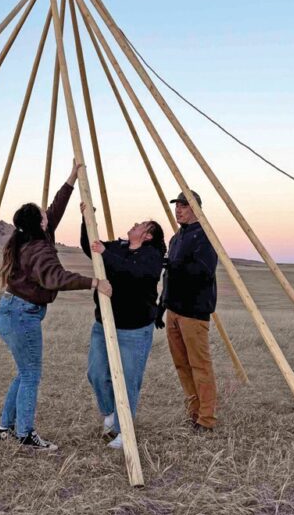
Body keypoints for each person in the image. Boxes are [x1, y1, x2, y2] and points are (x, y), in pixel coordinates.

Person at [0, 160, 112, 451]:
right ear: (39, 224)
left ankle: (5, 427)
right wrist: (94, 282)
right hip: (22, 315)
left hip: (11, 311)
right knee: (31, 374)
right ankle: (25, 434)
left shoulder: (31, 236)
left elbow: (55, 207)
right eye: (43, 216)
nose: (48, 216)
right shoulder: (37, 250)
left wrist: (71, 177)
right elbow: (55, 277)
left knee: (24, 373)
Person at [79, 204, 165, 450]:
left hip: (135, 330)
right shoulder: (118, 247)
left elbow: (133, 273)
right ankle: (109, 414)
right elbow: (91, 247)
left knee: (128, 381)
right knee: (96, 373)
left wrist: (105, 253)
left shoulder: (152, 257)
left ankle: (123, 430)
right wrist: (87, 219)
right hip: (104, 323)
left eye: (141, 225)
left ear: (147, 235)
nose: (135, 225)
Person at [158, 190, 219, 431]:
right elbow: (168, 275)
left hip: (194, 312)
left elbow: (204, 272)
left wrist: (175, 265)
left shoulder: (205, 237)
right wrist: (161, 305)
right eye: (177, 205)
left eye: (184, 205)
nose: (178, 209)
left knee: (200, 366)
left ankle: (206, 419)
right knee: (182, 365)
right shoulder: (176, 238)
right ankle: (193, 412)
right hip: (174, 310)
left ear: (197, 209)